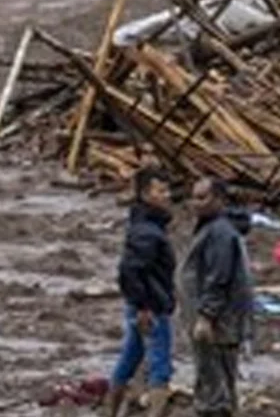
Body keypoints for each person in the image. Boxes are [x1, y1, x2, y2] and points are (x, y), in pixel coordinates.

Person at [181, 178, 254, 417]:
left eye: (203, 198)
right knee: (219, 382)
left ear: (220, 200)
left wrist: (206, 316)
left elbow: (218, 277)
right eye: (194, 197)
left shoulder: (220, 233)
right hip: (219, 321)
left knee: (214, 386)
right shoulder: (212, 228)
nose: (196, 203)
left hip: (219, 324)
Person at [110, 168, 177, 417]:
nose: (167, 195)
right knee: (160, 366)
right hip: (152, 306)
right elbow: (130, 271)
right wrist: (143, 307)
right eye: (161, 190)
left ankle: (111, 409)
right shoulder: (147, 231)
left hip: (145, 303)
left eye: (167, 190)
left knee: (131, 356)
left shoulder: (145, 225)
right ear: (145, 194)